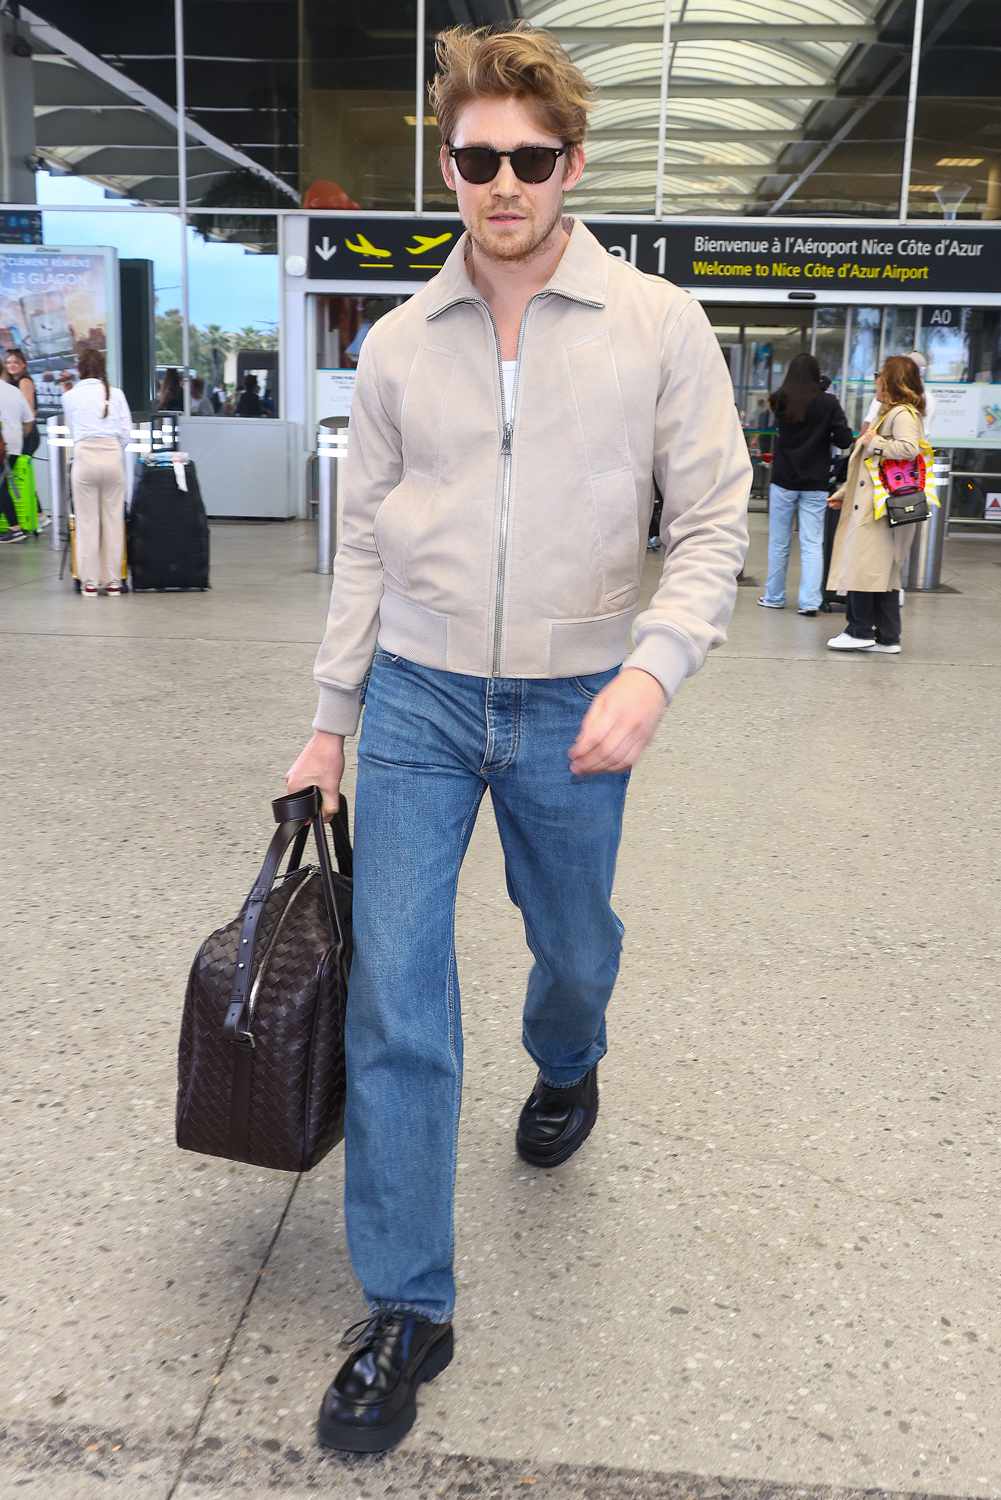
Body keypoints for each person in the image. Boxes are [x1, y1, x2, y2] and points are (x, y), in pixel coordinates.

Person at [285, 22, 750, 1456]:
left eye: (529, 161)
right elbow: (362, 542)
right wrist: (328, 723)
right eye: (477, 159)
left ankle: (570, 1053)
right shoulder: (400, 344)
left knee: (576, 946)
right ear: (448, 162)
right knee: (398, 996)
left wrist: (653, 675)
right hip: (422, 695)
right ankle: (407, 1309)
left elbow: (716, 522)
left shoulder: (657, 326)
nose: (502, 184)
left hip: (575, 701)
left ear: (572, 163)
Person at [826, 354, 927, 654]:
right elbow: (866, 468)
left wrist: (874, 441)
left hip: (879, 506)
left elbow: (909, 449)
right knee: (883, 570)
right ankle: (887, 636)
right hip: (876, 502)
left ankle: (859, 630)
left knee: (864, 565)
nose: (876, 379)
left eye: (881, 374)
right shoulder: (891, 412)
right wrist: (843, 494)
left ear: (893, 380)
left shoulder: (902, 414)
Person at [757, 354, 852, 617]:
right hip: (816, 482)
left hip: (783, 479)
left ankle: (774, 596)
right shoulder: (828, 402)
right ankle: (810, 601)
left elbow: (796, 409)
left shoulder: (779, 399)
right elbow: (844, 440)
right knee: (812, 542)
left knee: (779, 542)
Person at [62, 348, 132, 597]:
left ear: (80, 369)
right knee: (113, 520)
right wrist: (112, 448)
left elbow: (73, 431)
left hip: (84, 458)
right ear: (103, 368)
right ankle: (113, 581)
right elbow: (126, 434)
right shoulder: (117, 394)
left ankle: (89, 582)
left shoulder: (70, 396)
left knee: (87, 522)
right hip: (112, 457)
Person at [3, 348, 47, 531]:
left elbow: (28, 411)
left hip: (27, 434)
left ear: (23, 365)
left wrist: (14, 431)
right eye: (8, 362)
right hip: (20, 433)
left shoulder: (24, 381)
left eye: (15, 362)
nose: (11, 365)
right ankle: (38, 514)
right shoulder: (11, 383)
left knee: (17, 474)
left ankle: (37, 515)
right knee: (19, 474)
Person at [864, 350, 936, 432]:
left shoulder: (890, 400)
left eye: (879, 375)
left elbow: (868, 423)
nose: (876, 380)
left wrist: (870, 440)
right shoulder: (928, 398)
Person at [0, 373, 34, 544]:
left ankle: (15, 528)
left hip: (1, 445)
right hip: (13, 446)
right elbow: (29, 420)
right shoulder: (14, 391)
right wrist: (18, 437)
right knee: (2, 485)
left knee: (1, 487)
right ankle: (15, 528)